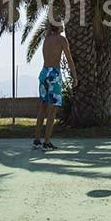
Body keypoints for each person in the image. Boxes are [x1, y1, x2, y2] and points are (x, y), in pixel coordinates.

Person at [33, 23, 77, 151]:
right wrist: (74, 76)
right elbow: (69, 59)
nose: (63, 26)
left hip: (44, 73)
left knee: (42, 107)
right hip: (54, 75)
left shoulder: (46, 39)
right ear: (57, 27)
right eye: (61, 24)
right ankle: (46, 142)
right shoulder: (62, 39)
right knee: (52, 110)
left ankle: (37, 141)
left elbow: (47, 31)